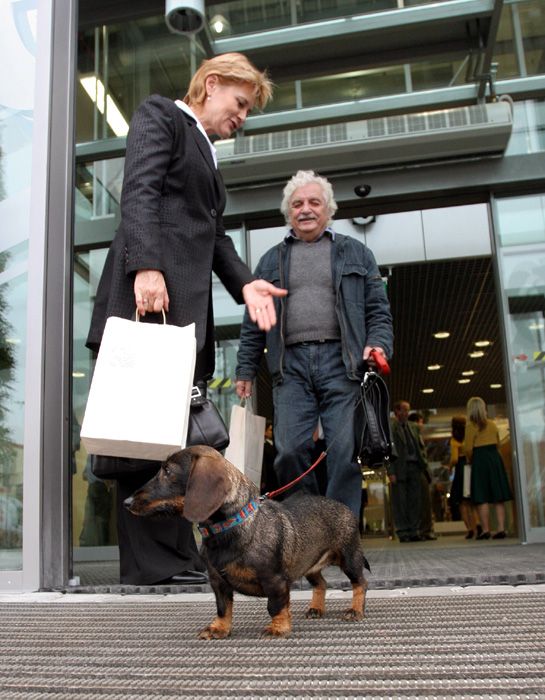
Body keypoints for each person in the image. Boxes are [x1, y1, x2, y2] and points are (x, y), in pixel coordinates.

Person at [86, 53, 286, 586]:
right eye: (240, 103)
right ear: (211, 84)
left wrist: (244, 282)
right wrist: (146, 267)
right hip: (150, 300)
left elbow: (214, 236)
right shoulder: (162, 115)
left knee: (175, 441)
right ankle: (150, 566)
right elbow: (140, 192)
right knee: (141, 435)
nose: (242, 116)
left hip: (185, 313)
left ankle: (177, 558)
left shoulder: (207, 151)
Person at [235, 170, 393, 516]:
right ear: (289, 212)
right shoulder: (269, 260)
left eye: (313, 202)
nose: (305, 209)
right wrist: (245, 369)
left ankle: (340, 531)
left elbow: (378, 312)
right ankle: (306, 529)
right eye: (297, 204)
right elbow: (253, 321)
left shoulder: (357, 254)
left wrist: (377, 344)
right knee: (288, 450)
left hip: (343, 363)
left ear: (328, 209)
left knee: (345, 452)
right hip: (290, 366)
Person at [464, 397, 512, 540]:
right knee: (498, 495)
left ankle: (485, 530)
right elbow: (497, 443)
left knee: (481, 496)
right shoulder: (492, 424)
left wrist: (472, 459)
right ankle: (501, 528)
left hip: (479, 459)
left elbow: (467, 449)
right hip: (494, 458)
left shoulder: (470, 426)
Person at [389, 400, 430, 542]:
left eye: (407, 410)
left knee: (415, 500)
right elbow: (388, 452)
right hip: (399, 467)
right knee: (400, 502)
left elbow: (420, 446)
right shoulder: (391, 428)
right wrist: (391, 471)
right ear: (396, 412)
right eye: (403, 410)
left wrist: (423, 464)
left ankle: (414, 530)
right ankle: (403, 531)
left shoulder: (414, 427)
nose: (406, 413)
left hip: (415, 466)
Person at [448, 415, 480, 539]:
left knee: (462, 502)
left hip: (460, 469)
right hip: (470, 466)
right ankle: (477, 523)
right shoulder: (469, 435)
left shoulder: (454, 440)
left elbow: (455, 458)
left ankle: (470, 529)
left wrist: (450, 466)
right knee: (472, 500)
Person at [408, 410, 437, 540]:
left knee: (424, 502)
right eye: (420, 422)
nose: (422, 425)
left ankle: (425, 530)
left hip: (421, 471)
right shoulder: (413, 435)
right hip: (417, 471)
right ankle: (423, 530)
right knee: (421, 502)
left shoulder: (418, 435)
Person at [260, 421, 279, 494]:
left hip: (276, 476)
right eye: (270, 430)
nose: (272, 432)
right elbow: (263, 464)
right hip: (269, 477)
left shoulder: (276, 444)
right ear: (265, 432)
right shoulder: (264, 446)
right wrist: (263, 479)